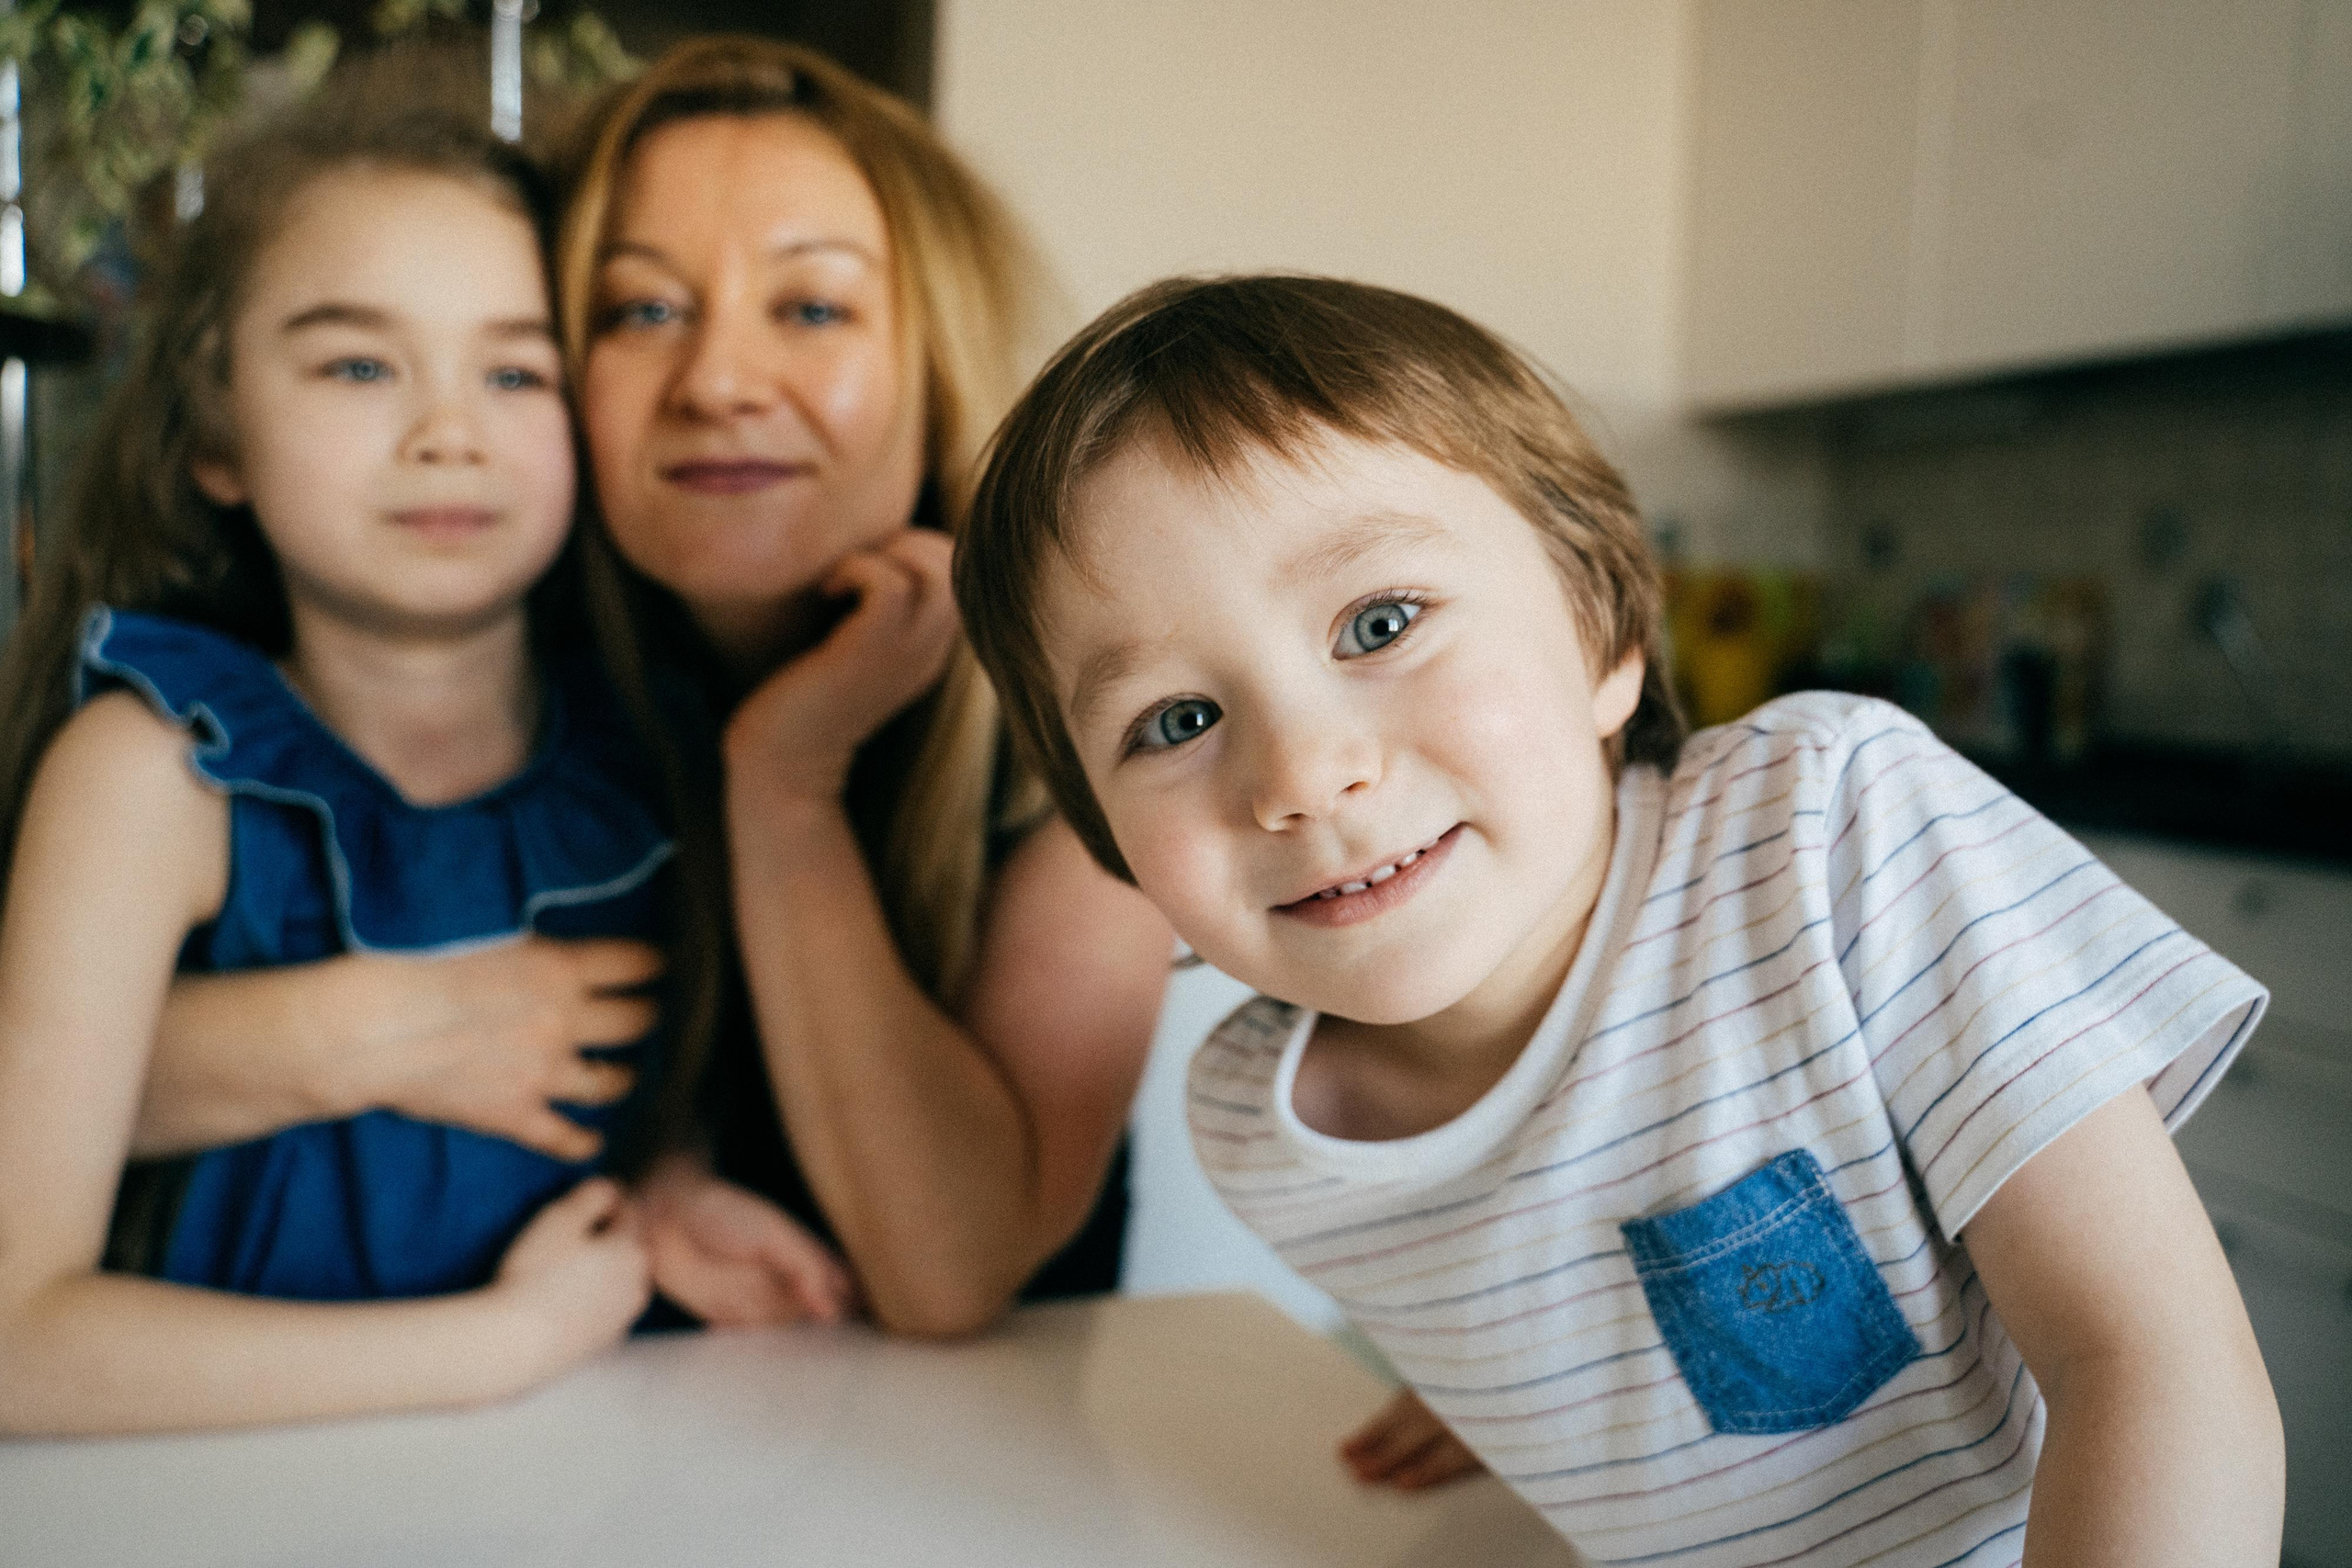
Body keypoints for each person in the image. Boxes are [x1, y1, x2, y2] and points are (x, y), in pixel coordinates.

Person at [951, 275, 2286, 1563]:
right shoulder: (1261, 1131)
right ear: (1104, 835)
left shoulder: (1830, 831)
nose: (1301, 775)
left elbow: (2150, 1367)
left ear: (1602, 632)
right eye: (1177, 720)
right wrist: (1535, 1403)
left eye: (1381, 622)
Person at [127, 37, 1169, 1341]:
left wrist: (787, 783)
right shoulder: (465, 670)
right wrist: (401, 1048)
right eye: (642, 311)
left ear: (938, 360)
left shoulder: (1092, 724)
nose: (718, 384)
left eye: (812, 309)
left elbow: (947, 1272)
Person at [0, 93, 660, 1434]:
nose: (447, 433)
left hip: (609, 1477)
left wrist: (678, 1189)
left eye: (516, 373)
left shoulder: (655, 753)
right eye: (360, 368)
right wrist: (508, 1342)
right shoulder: (154, 777)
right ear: (215, 436)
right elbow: (13, 1339)